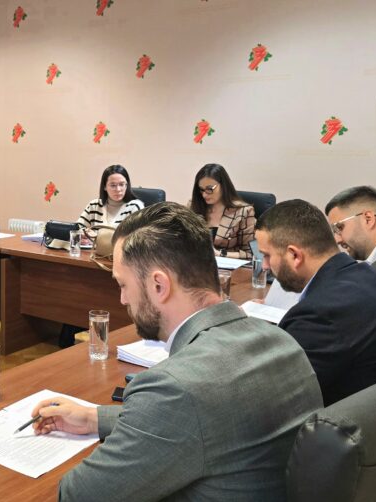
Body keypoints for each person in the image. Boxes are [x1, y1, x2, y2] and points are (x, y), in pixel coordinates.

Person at [30, 202, 322, 501]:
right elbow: (210, 423)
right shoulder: (284, 344)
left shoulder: (175, 389)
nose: (122, 300)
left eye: (123, 285)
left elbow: (79, 495)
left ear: (159, 285)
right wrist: (94, 418)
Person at [255, 199, 376, 405]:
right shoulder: (370, 277)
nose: (265, 266)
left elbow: (268, 394)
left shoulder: (319, 315)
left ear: (294, 255)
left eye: (266, 256)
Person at [189, 163, 256, 258]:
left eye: (209, 189)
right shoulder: (193, 206)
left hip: (229, 265)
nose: (204, 195)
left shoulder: (243, 211)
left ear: (223, 185)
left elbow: (251, 254)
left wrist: (220, 254)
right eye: (201, 190)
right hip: (197, 262)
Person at [76, 165, 144, 234]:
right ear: (104, 187)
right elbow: (77, 228)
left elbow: (138, 236)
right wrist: (85, 233)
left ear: (126, 185)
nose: (118, 189)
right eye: (113, 185)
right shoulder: (94, 205)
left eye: (121, 184)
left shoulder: (135, 206)